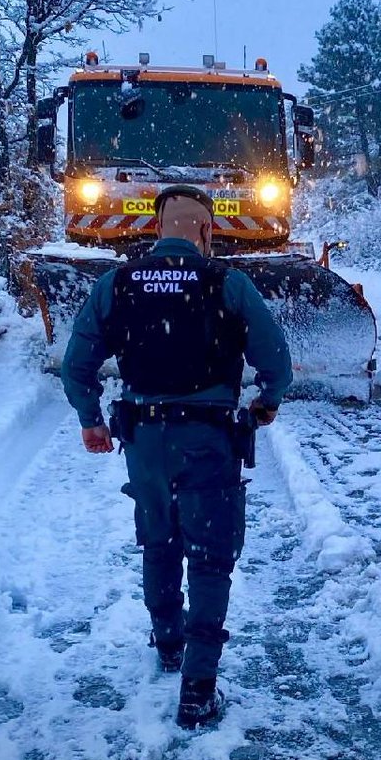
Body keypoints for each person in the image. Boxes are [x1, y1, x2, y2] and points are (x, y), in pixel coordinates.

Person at [59, 184, 293, 729]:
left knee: (159, 539)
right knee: (210, 557)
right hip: (208, 440)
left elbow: (77, 364)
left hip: (144, 441)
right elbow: (275, 363)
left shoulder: (117, 283)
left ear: (158, 228)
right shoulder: (228, 284)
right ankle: (198, 687)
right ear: (207, 231)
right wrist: (264, 405)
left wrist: (90, 419)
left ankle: (168, 641)